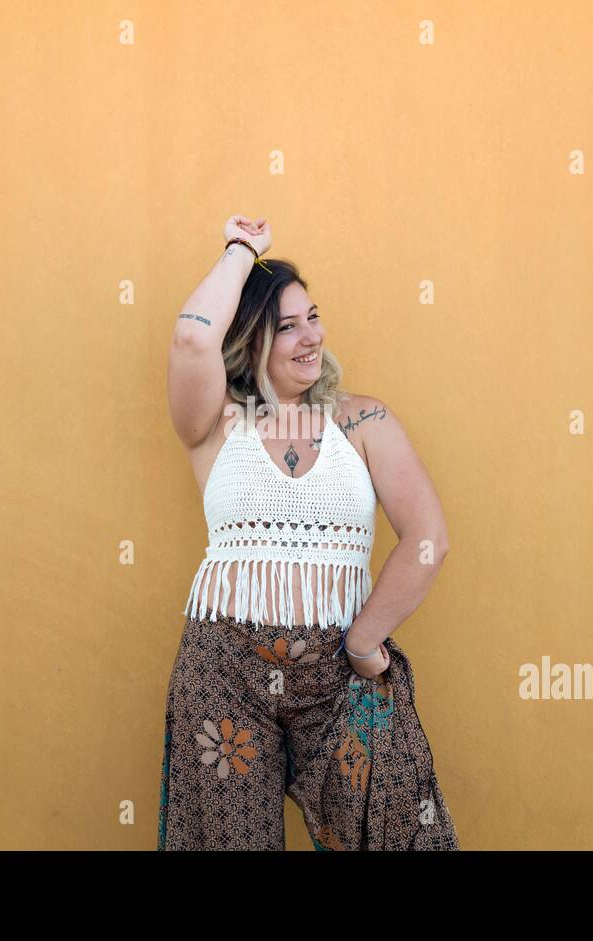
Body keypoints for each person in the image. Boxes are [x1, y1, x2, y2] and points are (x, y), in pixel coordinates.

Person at [158, 214, 459, 850]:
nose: (309, 338)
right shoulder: (214, 423)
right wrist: (244, 252)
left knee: (397, 830)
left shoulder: (363, 420)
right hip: (225, 671)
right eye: (285, 326)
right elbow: (191, 338)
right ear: (249, 340)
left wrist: (364, 640)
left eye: (312, 318)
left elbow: (427, 535)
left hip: (340, 669)